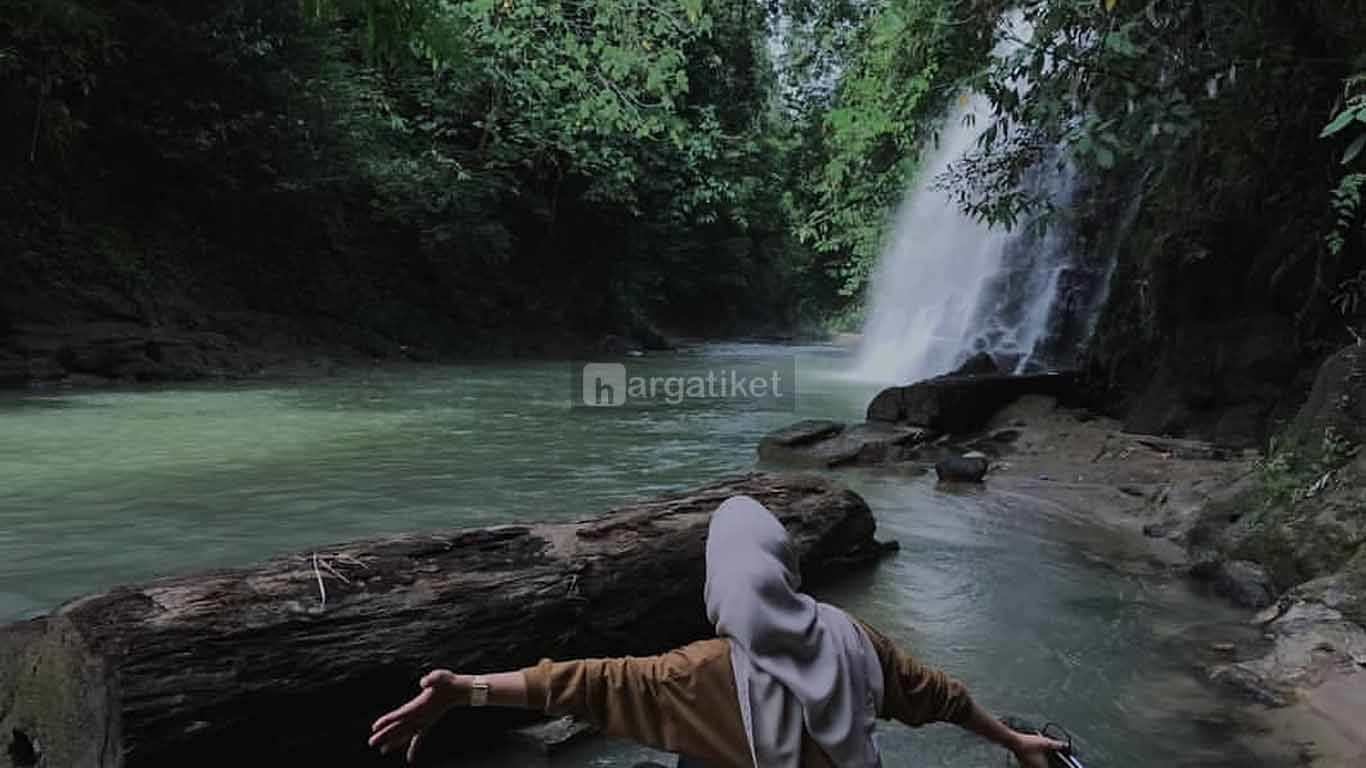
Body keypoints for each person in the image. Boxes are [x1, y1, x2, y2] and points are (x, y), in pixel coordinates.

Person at [368, 495, 1067, 767]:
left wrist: (466, 691)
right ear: (785, 567)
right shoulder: (856, 638)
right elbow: (938, 694)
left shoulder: (696, 674)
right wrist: (1012, 741)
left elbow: (580, 684)